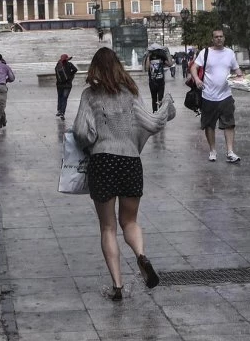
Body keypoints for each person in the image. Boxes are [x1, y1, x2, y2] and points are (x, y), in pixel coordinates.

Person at [72, 47, 176, 301]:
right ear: (118, 66)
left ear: (94, 69)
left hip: (103, 162)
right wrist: (166, 109)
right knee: (129, 221)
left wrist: (96, 137)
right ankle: (141, 255)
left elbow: (81, 133)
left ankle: (117, 286)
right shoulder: (131, 93)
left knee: (107, 227)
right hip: (130, 162)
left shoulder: (90, 96)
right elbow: (151, 124)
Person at [191, 29, 243, 163]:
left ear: (224, 38)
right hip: (208, 96)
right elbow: (193, 67)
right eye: (216, 37)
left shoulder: (230, 53)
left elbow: (236, 69)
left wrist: (240, 76)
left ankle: (230, 152)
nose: (219, 39)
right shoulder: (205, 52)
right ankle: (212, 150)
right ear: (212, 39)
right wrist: (197, 79)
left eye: (221, 36)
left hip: (226, 95)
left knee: (229, 124)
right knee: (209, 125)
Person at [143, 48, 171, 112]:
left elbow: (170, 64)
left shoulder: (162, 57)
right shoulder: (149, 58)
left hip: (160, 82)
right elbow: (147, 68)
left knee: (160, 98)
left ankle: (160, 112)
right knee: (154, 99)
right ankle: (155, 112)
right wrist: (148, 57)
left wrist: (167, 54)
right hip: (152, 82)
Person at [54, 54, 78, 119]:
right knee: (64, 98)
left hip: (59, 85)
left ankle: (59, 110)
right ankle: (62, 112)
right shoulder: (69, 64)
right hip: (67, 85)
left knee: (60, 97)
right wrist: (70, 76)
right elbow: (75, 70)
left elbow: (57, 75)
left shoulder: (58, 65)